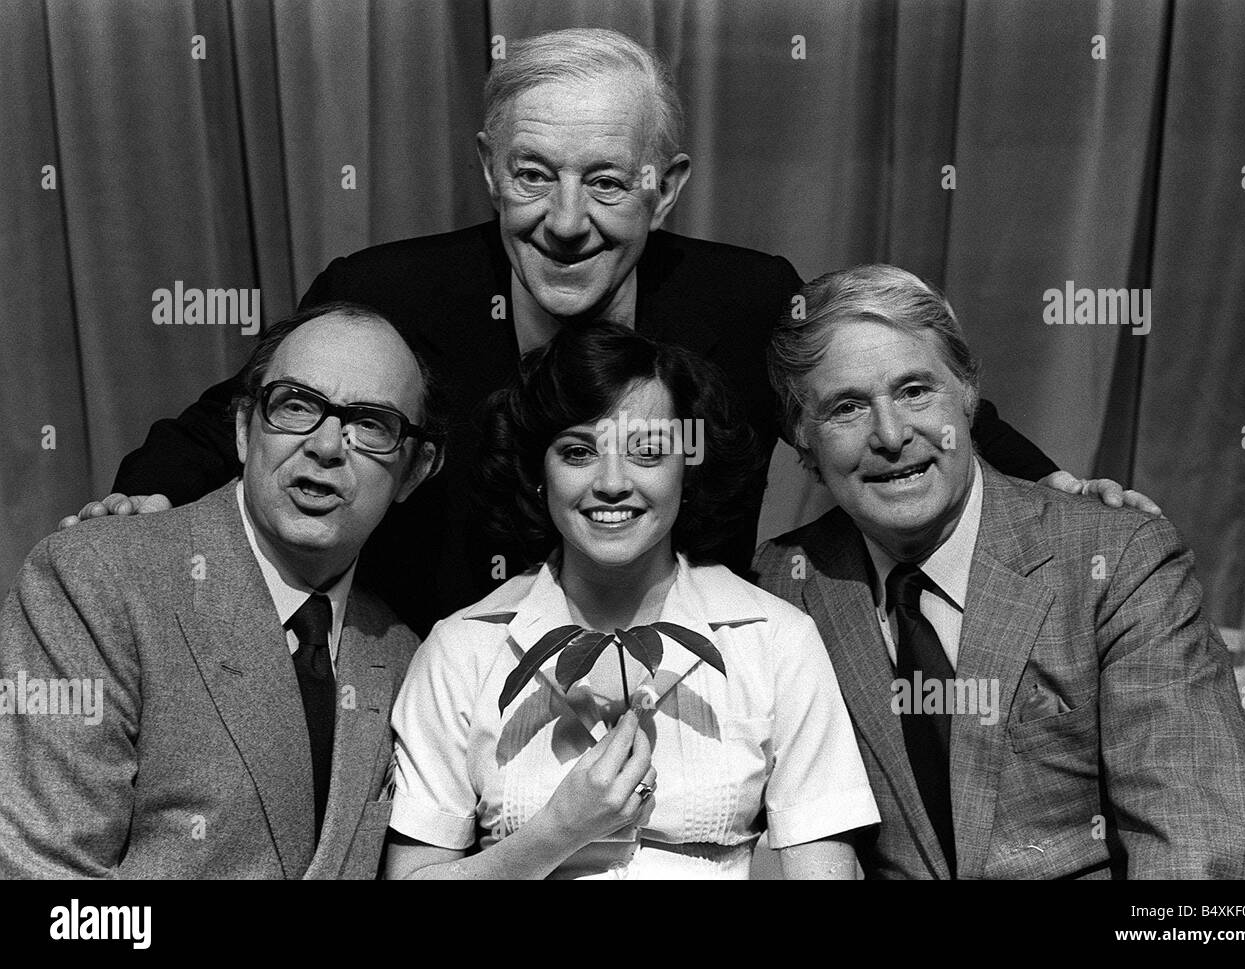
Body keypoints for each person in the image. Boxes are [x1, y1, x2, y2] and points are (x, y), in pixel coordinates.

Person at [64, 27, 1151, 635]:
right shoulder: (392, 292)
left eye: (607, 182)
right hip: (441, 675)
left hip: (691, 675)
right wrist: (143, 495)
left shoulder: (739, 299)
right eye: (532, 176)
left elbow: (867, 395)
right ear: (490, 168)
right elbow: (240, 414)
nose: (567, 222)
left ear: (667, 187)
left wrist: (1048, 485)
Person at [752, 265, 1245, 879]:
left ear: (968, 397)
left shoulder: (1117, 562)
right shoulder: (783, 586)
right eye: (847, 408)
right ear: (802, 441)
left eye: (915, 391)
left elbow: (1195, 846)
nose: (891, 435)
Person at [385, 323, 877, 879]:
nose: (612, 482)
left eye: (647, 451)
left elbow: (822, 867)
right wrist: (556, 833)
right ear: (539, 474)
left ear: (688, 470)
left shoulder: (776, 638)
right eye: (577, 452)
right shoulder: (461, 648)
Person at [0, 302, 444, 878]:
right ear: (242, 430)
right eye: (297, 406)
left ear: (414, 470)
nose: (328, 445)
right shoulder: (95, 581)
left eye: (370, 425)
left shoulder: (408, 657)